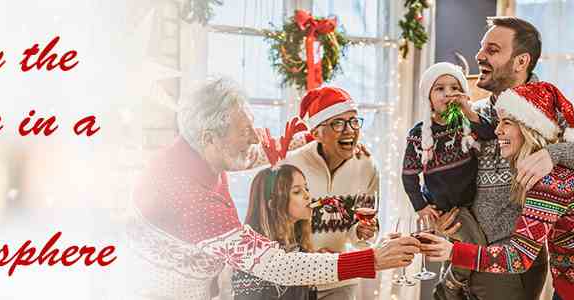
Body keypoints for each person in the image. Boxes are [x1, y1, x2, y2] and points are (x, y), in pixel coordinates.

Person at [126, 77, 420, 300]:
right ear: (210, 138)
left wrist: (326, 137)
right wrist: (372, 259)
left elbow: (257, 153)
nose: (255, 137)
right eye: (245, 131)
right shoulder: (188, 197)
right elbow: (275, 265)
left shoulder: (203, 153)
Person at [435, 17, 574, 300]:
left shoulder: (549, 112)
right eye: (481, 47)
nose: (479, 55)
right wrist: (440, 216)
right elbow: (444, 171)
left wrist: (553, 153)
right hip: (463, 256)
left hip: (511, 266)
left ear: (521, 61)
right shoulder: (474, 113)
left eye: (493, 49)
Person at [420, 82, 574, 300]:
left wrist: (453, 252)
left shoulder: (550, 183)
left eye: (507, 122)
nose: (497, 130)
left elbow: (518, 257)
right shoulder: (562, 166)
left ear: (529, 128)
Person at [282, 86, 380, 300]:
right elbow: (276, 225)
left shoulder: (366, 165)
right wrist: (308, 256)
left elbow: (360, 233)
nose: (349, 130)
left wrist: (365, 231)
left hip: (340, 279)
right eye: (338, 123)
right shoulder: (292, 164)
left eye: (354, 121)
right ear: (317, 133)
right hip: (296, 278)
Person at [402, 62, 479, 225]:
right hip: (438, 211)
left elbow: (489, 133)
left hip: (471, 206)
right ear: (428, 96)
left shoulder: (466, 123)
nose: (448, 94)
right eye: (440, 89)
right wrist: (421, 207)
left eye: (454, 88)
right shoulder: (418, 135)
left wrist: (468, 111)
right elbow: (409, 176)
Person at [231, 164, 316, 299]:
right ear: (273, 203)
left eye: (306, 188)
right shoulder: (254, 255)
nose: (308, 196)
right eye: (296, 191)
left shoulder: (298, 246)